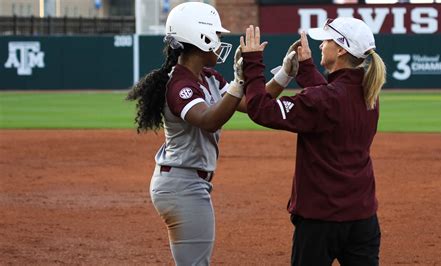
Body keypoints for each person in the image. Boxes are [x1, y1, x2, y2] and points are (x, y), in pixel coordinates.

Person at [126, 3, 297, 265]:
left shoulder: (208, 77)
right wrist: (240, 82)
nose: (219, 41)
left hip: (188, 181)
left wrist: (285, 73)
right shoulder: (179, 85)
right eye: (215, 35)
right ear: (199, 37)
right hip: (182, 185)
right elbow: (208, 120)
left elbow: (252, 105)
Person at [240, 18, 386, 265]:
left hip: (321, 219)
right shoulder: (368, 93)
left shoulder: (325, 100)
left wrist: (253, 63)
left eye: (326, 40)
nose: (321, 45)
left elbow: (261, 109)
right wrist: (306, 67)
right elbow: (326, 101)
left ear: (341, 49)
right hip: (363, 217)